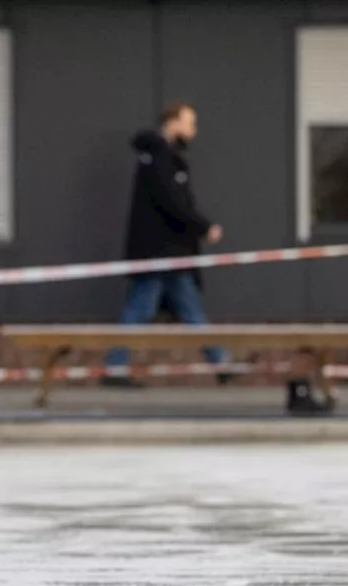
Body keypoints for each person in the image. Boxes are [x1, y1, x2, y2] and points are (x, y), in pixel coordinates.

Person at [103, 101, 229, 387]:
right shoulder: (158, 158)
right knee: (141, 309)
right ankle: (115, 368)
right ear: (173, 122)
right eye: (190, 123)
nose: (193, 131)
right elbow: (171, 202)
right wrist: (204, 227)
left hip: (174, 252)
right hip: (158, 252)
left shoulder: (165, 158)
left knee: (191, 309)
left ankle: (221, 361)